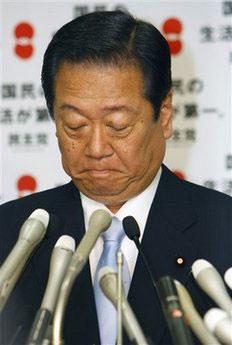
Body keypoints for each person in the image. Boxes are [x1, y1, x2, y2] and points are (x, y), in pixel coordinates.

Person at [0, 10, 231, 345]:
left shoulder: (224, 229)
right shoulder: (12, 238)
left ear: (163, 116)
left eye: (118, 125)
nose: (96, 148)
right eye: (75, 126)